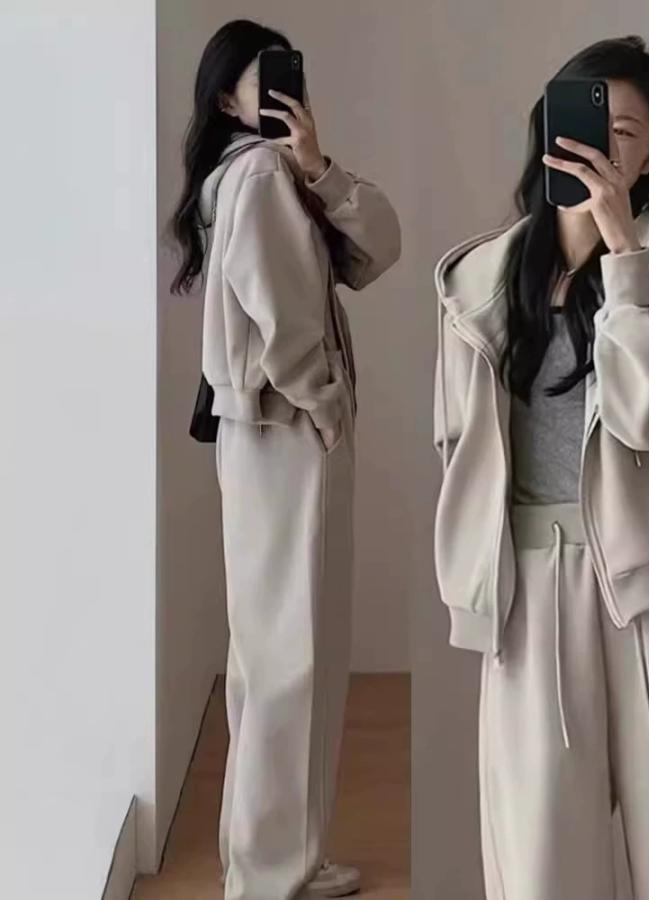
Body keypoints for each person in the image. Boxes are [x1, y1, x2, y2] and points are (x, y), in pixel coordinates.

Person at [432, 35, 649, 900]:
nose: (601, 148)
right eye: (585, 123)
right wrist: (469, 580)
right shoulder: (478, 277)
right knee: (541, 859)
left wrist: (624, 257)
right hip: (527, 584)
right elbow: (458, 443)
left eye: (624, 133)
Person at [169, 19, 401, 900]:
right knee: (292, 654)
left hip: (261, 433)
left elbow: (379, 248)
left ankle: (264, 859)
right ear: (227, 97)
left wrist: (320, 166)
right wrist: (327, 405)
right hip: (288, 429)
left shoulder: (267, 171)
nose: (281, 89)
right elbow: (286, 316)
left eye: (286, 74)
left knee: (269, 651)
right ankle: (274, 874)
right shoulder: (262, 174)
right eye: (261, 76)